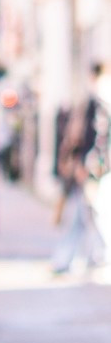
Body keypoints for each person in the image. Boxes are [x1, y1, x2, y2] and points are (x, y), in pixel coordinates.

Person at [52, 68, 108, 274]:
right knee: (86, 216)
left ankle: (70, 259)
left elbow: (97, 140)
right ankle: (95, 255)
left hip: (87, 173)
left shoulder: (97, 105)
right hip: (82, 171)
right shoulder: (89, 104)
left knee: (85, 216)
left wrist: (87, 166)